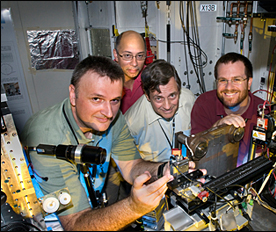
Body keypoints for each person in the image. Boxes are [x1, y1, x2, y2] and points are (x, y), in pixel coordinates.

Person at [20, 56, 201, 231]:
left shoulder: (114, 118)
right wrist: (133, 207)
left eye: (115, 100)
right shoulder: (45, 136)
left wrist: (165, 170)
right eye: (96, 99)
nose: (108, 112)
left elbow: (131, 166)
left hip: (92, 210)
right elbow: (74, 224)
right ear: (73, 95)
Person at [191, 52, 270, 170]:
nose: (228, 87)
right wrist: (217, 129)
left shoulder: (264, 110)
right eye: (223, 80)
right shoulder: (204, 103)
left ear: (249, 83)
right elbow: (195, 153)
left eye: (236, 79)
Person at [124, 59, 196, 162]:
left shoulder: (189, 99)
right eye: (159, 98)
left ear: (179, 90)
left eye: (172, 96)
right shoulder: (130, 122)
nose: (167, 106)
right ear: (147, 96)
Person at [113, 30, 147, 114]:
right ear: (116, 55)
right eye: (127, 55)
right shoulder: (104, 81)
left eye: (139, 56)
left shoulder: (151, 76)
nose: (134, 63)